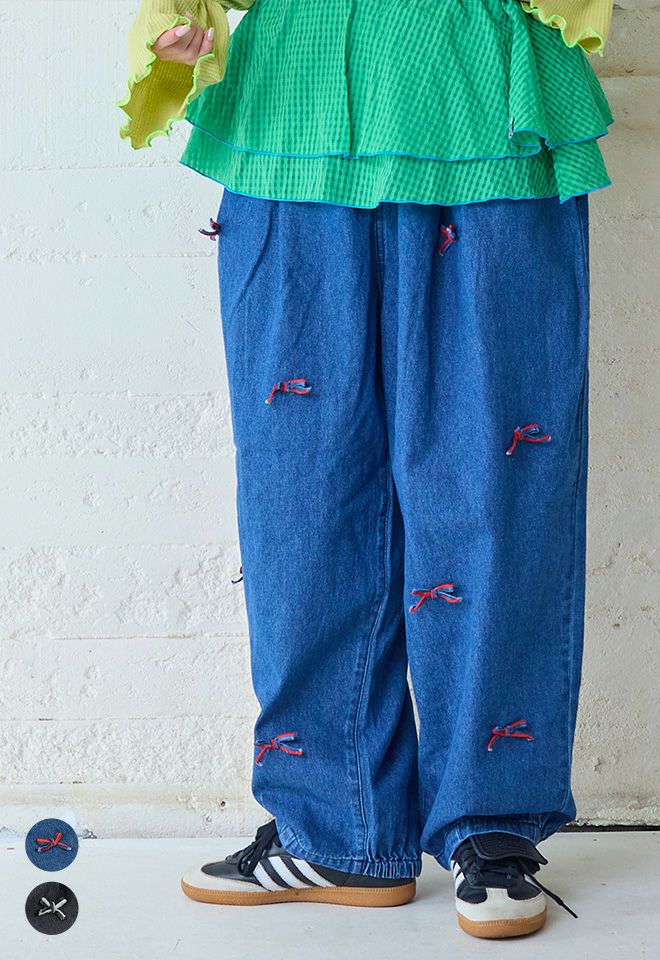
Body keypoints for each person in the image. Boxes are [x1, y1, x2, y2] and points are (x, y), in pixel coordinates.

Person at [117, 0, 613, 939]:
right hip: (289, 120)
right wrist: (176, 14)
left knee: (494, 489)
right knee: (300, 504)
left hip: (478, 106)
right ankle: (333, 827)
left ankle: (494, 825)